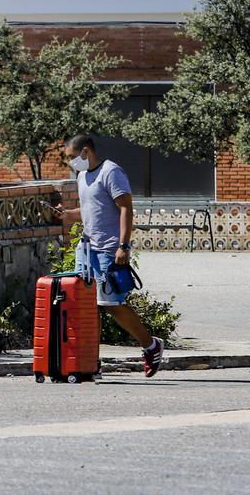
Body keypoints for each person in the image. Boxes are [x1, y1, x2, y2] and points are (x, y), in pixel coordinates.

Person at [56, 134, 164, 377]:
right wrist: (67, 214)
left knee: (111, 305)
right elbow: (90, 211)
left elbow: (125, 207)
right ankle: (89, 361)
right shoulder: (83, 176)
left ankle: (151, 345)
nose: (72, 162)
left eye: (73, 157)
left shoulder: (111, 171)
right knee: (85, 305)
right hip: (86, 249)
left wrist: (123, 246)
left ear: (86, 151)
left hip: (108, 249)